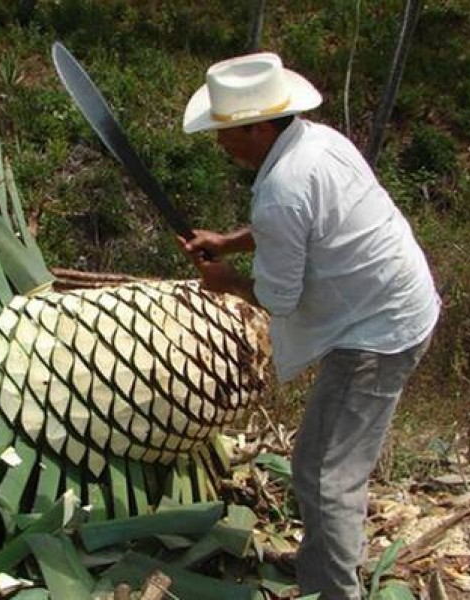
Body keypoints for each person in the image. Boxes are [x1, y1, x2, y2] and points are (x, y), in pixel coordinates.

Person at [179, 52, 441, 599]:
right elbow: (301, 223)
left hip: (377, 332)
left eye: (228, 133)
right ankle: (324, 565)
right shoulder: (319, 142)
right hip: (399, 302)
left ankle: (333, 592)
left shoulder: (282, 190)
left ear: (262, 126)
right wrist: (231, 242)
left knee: (324, 475)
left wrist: (228, 281)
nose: (221, 145)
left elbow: (278, 295)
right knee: (325, 466)